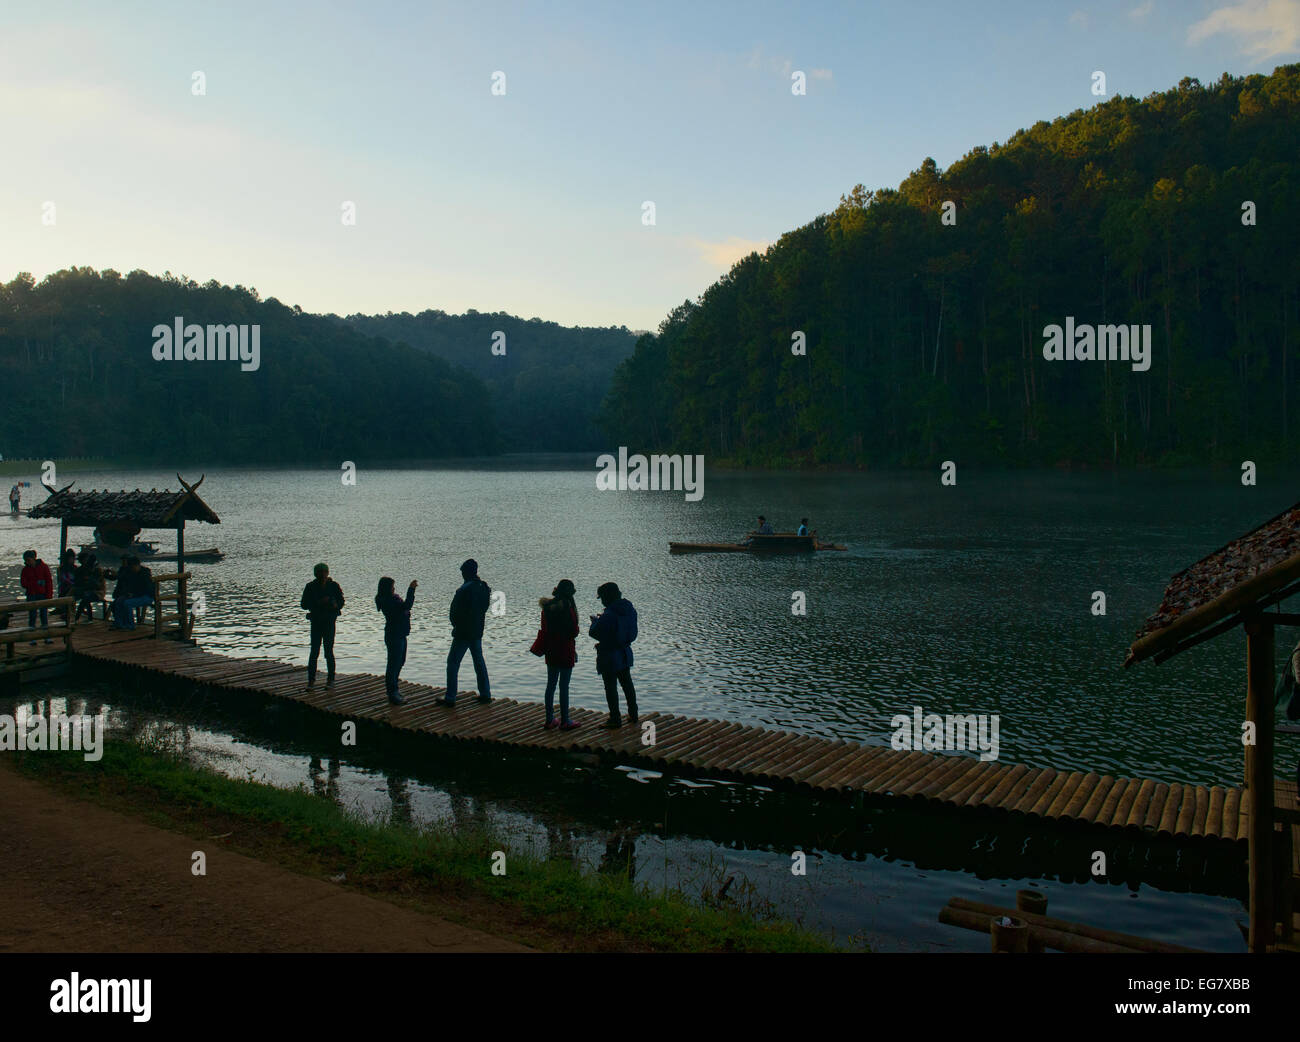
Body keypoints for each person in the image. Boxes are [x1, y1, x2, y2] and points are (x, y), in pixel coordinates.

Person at [441, 559, 492, 707]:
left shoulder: (464, 590)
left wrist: (456, 625)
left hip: (463, 632)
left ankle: (450, 697)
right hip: (477, 631)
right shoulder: (484, 587)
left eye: (463, 572)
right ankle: (485, 694)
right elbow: (484, 608)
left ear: (466, 572)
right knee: (479, 662)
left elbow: (455, 611)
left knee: (453, 663)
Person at [589, 581, 638, 729]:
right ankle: (633, 714)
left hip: (609, 654)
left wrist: (595, 621)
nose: (602, 601)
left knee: (610, 687)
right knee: (627, 684)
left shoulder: (609, 614)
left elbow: (595, 633)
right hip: (625, 652)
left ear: (607, 597)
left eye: (602, 597)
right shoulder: (629, 609)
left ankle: (615, 719)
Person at [538, 579, 580, 730]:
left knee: (551, 685)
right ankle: (565, 720)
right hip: (566, 648)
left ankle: (549, 719)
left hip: (551, 649)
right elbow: (574, 631)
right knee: (564, 686)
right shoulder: (568, 607)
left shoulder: (547, 607)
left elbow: (544, 628)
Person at [300, 562, 345, 688]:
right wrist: (319, 602)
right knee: (314, 651)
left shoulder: (334, 586)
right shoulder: (310, 587)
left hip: (329, 622)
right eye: (320, 572)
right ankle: (311, 681)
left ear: (327, 573)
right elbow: (303, 604)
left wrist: (334, 603)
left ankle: (331, 680)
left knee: (328, 651)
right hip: (316, 622)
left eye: (324, 572)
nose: (322, 575)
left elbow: (341, 602)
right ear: (316, 574)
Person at [375, 576, 417, 705]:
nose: (394, 588)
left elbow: (404, 608)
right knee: (393, 663)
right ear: (387, 588)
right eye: (392, 586)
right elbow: (407, 606)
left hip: (400, 634)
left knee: (400, 661)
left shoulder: (391, 599)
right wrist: (411, 590)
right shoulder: (389, 601)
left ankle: (394, 689)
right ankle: (392, 692)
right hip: (394, 635)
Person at [109, 555, 154, 630]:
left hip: (146, 596)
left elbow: (147, 589)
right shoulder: (130, 572)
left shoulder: (145, 573)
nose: (132, 569)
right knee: (118, 601)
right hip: (135, 595)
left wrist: (134, 594)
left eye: (133, 567)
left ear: (137, 565)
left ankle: (130, 625)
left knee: (127, 603)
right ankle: (119, 624)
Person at [20, 550, 54, 644]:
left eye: (28, 560)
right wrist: (35, 583)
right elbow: (23, 583)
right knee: (32, 615)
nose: (27, 562)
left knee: (44, 615)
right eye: (26, 560)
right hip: (31, 595)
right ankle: (32, 638)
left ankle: (46, 636)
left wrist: (49, 595)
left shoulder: (44, 567)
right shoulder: (25, 570)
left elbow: (49, 582)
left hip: (42, 594)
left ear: (33, 558)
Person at [56, 549, 78, 626]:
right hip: (64, 589)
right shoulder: (61, 568)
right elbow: (63, 578)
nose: (73, 560)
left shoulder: (75, 568)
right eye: (72, 558)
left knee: (71, 605)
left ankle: (70, 620)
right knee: (65, 606)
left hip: (72, 589)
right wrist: (72, 583)